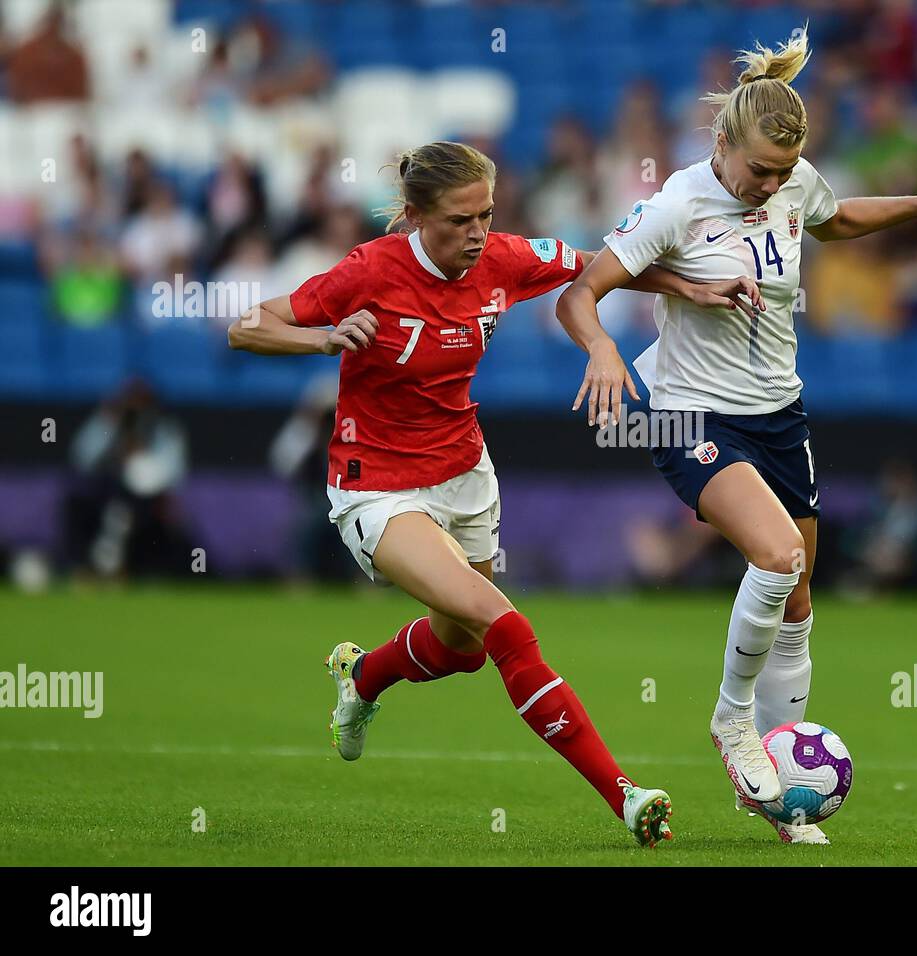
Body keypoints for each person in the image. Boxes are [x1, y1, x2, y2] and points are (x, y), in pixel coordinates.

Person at [228, 140, 760, 847]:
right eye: (459, 220)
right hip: (378, 488)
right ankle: (626, 796)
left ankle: (362, 677)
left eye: (485, 214)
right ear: (416, 216)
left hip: (464, 473)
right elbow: (246, 327)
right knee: (504, 624)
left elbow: (603, 266)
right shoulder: (370, 270)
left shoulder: (504, 257)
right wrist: (324, 339)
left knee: (463, 649)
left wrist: (686, 289)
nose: (476, 234)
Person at [556, 30, 917, 844]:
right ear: (722, 143)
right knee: (778, 555)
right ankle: (731, 724)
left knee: (796, 604)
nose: (772, 184)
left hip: (780, 414)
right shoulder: (677, 202)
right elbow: (582, 292)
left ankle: (781, 802)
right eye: (758, 169)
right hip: (691, 412)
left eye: (783, 172)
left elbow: (834, 217)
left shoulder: (793, 182)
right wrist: (605, 346)